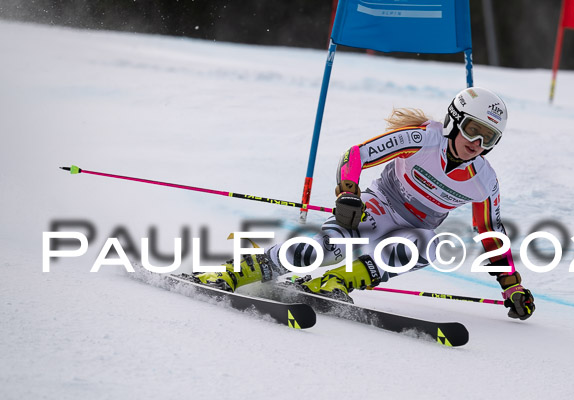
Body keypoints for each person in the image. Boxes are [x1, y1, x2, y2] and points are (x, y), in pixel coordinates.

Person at [195, 87, 536, 320]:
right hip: (380, 206)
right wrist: (347, 194)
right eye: (473, 130)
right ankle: (234, 272)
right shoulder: (422, 138)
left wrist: (512, 285)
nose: (476, 143)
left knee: (426, 245)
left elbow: (491, 232)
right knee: (331, 246)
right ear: (455, 120)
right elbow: (355, 155)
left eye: (487, 138)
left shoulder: (484, 180)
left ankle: (334, 283)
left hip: (416, 228)